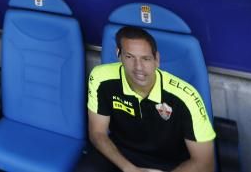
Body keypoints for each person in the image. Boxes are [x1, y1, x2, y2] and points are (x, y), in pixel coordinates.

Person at [77, 26, 215, 172]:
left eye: (146, 59)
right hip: (122, 156)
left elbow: (204, 164)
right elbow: (98, 133)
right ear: (119, 54)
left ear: (157, 60)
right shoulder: (101, 77)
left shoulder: (186, 97)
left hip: (170, 164)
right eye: (129, 57)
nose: (138, 68)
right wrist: (128, 168)